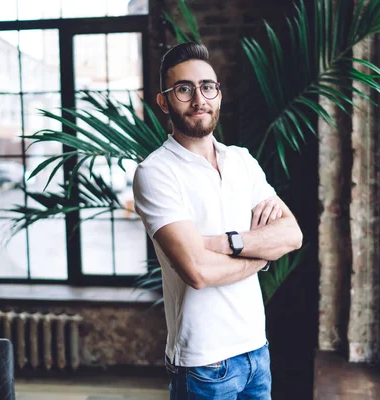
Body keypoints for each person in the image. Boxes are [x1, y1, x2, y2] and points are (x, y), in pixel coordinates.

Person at [132, 42, 303, 399]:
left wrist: (226, 243)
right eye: (184, 89)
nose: (199, 99)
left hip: (257, 348)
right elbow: (197, 272)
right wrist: (263, 254)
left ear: (218, 94)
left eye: (207, 87)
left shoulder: (242, 161)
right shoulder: (155, 173)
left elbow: (292, 234)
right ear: (164, 102)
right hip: (203, 363)